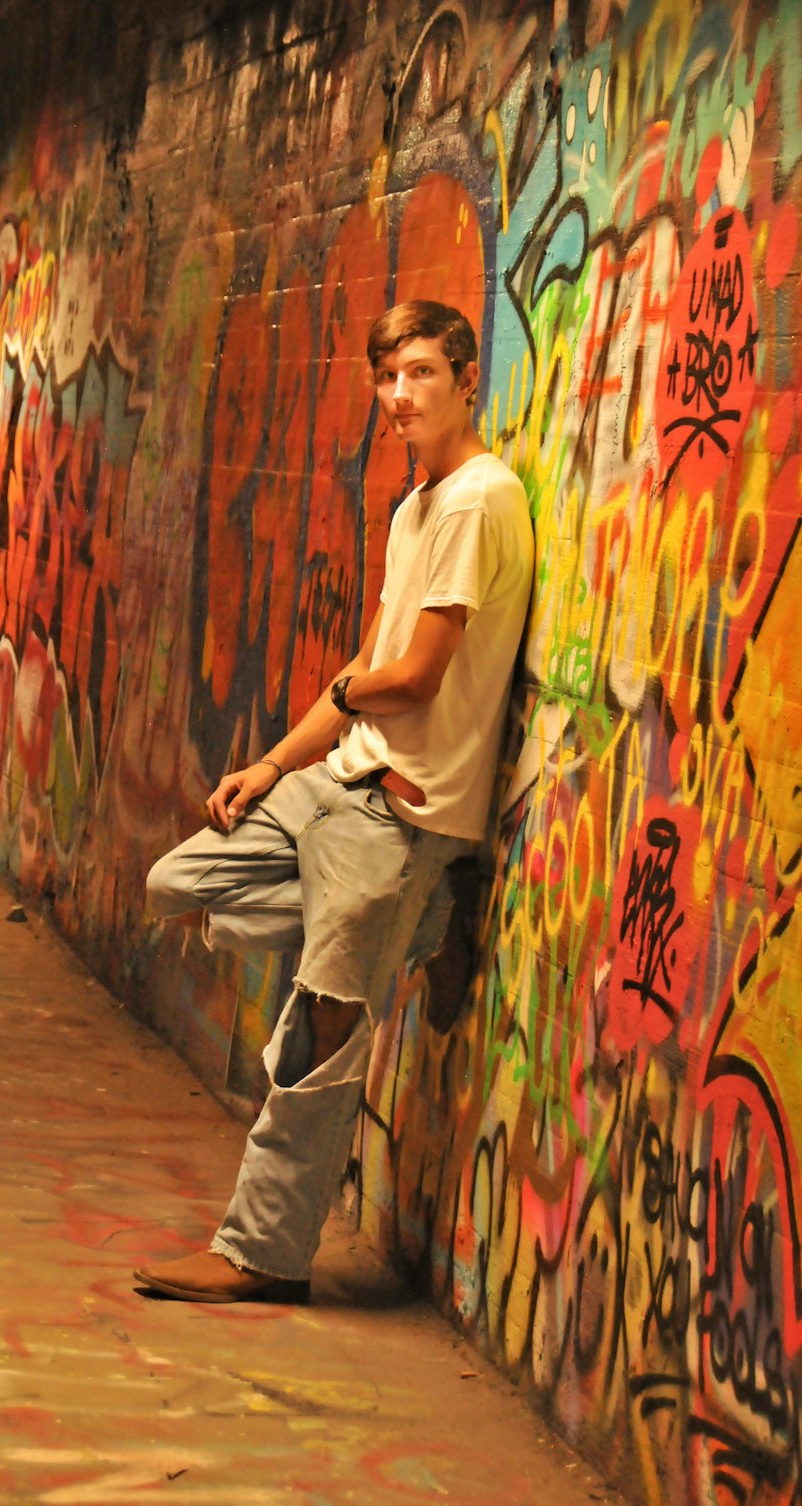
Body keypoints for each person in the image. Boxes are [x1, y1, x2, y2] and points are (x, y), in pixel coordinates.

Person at [133, 300, 534, 1303]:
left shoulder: (482, 499)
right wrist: (270, 766)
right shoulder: (412, 510)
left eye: (420, 375)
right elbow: (365, 665)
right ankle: (434, 917)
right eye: (387, 378)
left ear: (464, 378)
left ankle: (259, 1256)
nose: (399, 397)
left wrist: (353, 696)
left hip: (397, 813)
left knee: (316, 1029)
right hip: (333, 782)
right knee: (176, 882)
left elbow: (414, 677)